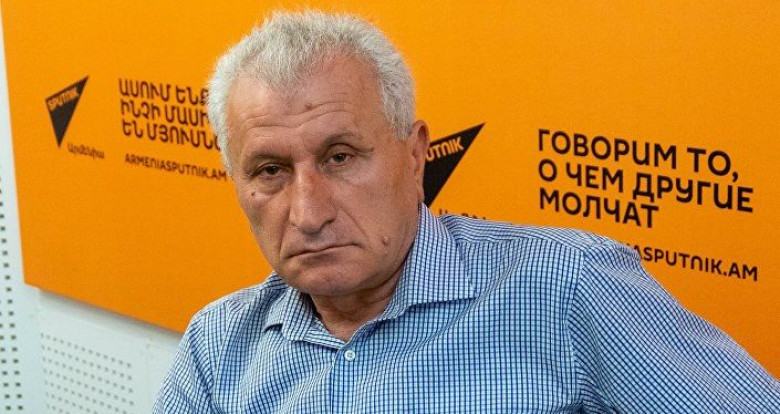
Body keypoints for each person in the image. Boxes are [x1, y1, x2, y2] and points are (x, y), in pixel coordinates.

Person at [153, 10, 779, 413]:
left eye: (340, 157)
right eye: (270, 171)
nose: (308, 212)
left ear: (414, 155)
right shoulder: (219, 348)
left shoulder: (567, 289)